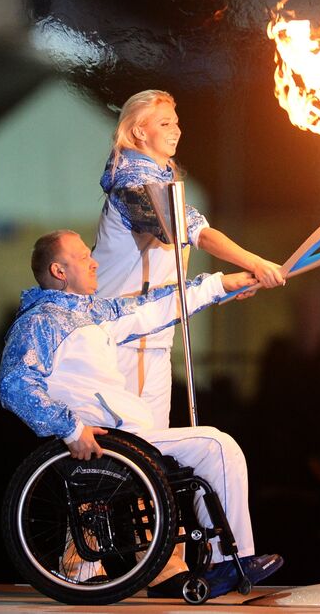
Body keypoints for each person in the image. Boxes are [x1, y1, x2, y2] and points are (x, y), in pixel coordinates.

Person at [0, 230, 283, 599]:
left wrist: (222, 284)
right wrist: (70, 429)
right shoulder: (40, 323)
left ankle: (227, 562)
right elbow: (14, 385)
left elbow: (155, 306)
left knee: (216, 447)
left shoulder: (92, 314)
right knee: (216, 444)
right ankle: (227, 562)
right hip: (108, 441)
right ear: (59, 270)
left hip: (129, 437)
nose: (94, 261)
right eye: (84, 257)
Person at [92, 89, 285, 428]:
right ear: (139, 131)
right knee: (126, 450)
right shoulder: (133, 187)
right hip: (122, 331)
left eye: (177, 123)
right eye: (164, 123)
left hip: (153, 335)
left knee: (149, 451)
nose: (176, 130)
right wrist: (254, 263)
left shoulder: (161, 183)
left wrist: (233, 283)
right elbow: (198, 233)